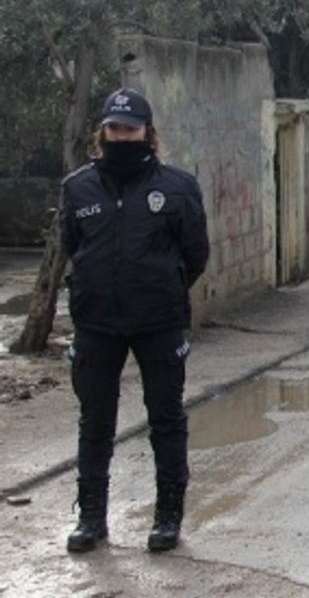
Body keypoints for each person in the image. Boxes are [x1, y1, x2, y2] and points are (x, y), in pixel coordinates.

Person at [61, 88, 210, 553]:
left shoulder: (178, 187)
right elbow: (72, 246)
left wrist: (162, 286)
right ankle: (91, 518)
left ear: (148, 132)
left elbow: (195, 254)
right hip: (97, 323)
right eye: (115, 128)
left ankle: (167, 516)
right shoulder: (78, 188)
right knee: (95, 421)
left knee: (166, 419)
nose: (122, 136)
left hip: (158, 321)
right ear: (102, 132)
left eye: (131, 128)